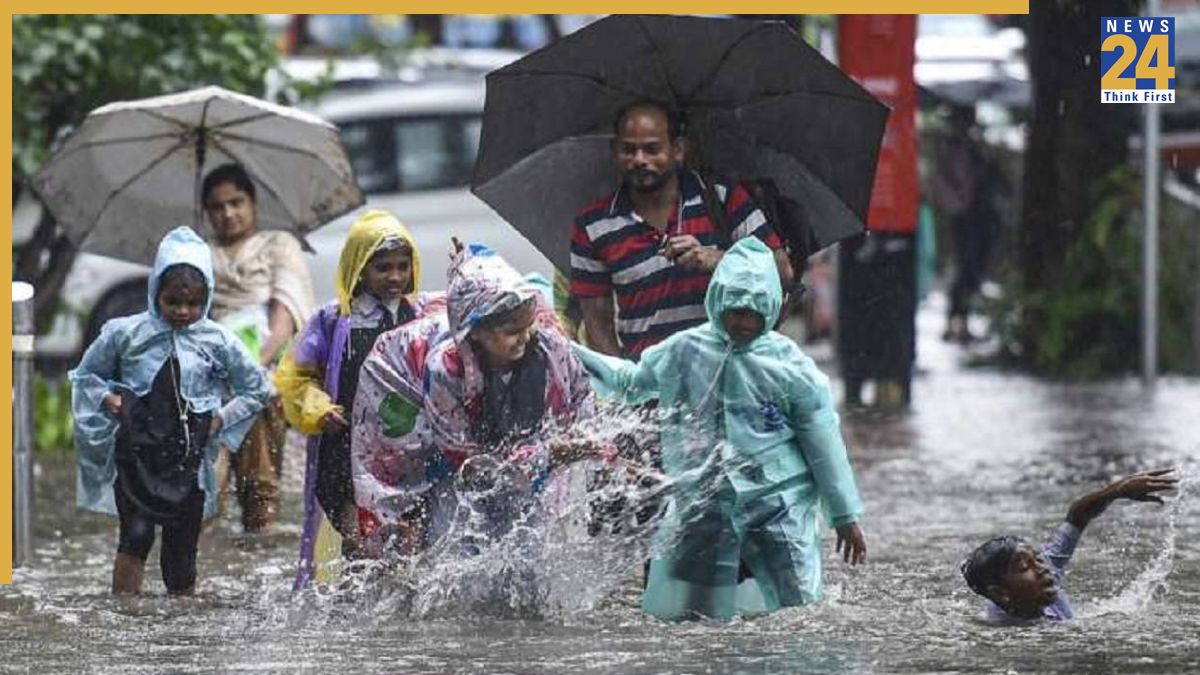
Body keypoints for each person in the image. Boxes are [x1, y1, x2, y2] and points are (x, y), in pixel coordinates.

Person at [571, 237, 866, 622]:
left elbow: (823, 443)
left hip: (776, 506)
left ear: (771, 309)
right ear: (718, 301)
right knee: (688, 618)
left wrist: (844, 515)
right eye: (735, 311)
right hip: (705, 506)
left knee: (799, 614)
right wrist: (568, 350)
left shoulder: (791, 368)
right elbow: (629, 382)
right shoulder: (685, 350)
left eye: (754, 313)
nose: (744, 323)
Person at [70, 226, 269, 595]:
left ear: (206, 298)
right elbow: (85, 376)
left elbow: (256, 388)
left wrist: (221, 419)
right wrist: (109, 399)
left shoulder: (217, 340)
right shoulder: (125, 333)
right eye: (172, 302)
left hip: (187, 459)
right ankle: (124, 612)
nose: (182, 311)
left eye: (193, 304)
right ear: (155, 292)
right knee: (135, 537)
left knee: (181, 555)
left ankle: (181, 621)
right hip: (136, 456)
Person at [275, 210, 445, 586]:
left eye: (402, 267)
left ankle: (398, 608)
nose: (395, 277)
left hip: (408, 452)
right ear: (359, 268)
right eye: (383, 268)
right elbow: (295, 378)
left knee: (410, 547)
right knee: (359, 544)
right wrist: (318, 409)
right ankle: (353, 606)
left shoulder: (421, 316)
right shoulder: (333, 322)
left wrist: (463, 265)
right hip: (346, 450)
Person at [570, 100, 793, 360]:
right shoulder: (592, 226)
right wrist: (624, 379)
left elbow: (781, 272)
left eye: (652, 149)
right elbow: (598, 326)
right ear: (614, 151)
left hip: (730, 374)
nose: (639, 160)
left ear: (678, 150)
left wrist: (718, 261)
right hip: (649, 380)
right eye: (628, 150)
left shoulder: (723, 199)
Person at [423, 243, 596, 540]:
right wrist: (543, 455)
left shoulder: (549, 349)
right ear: (475, 330)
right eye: (512, 332)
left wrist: (581, 446)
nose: (525, 338)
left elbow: (580, 399)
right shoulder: (446, 371)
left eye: (529, 326)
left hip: (535, 472)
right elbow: (466, 462)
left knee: (533, 548)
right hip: (458, 476)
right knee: (460, 549)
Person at [203, 163, 316, 532]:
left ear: (253, 203)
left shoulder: (278, 246)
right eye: (217, 207)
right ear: (207, 212)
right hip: (210, 376)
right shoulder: (199, 255)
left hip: (264, 371)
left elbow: (286, 316)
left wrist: (251, 368)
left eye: (236, 202)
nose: (228, 213)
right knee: (204, 494)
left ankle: (259, 535)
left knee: (259, 491)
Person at [961, 469, 1178, 623]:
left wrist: (1118, 490)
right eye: (1025, 567)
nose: (1043, 568)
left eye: (1038, 559)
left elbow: (1077, 516)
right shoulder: (999, 633)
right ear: (1001, 593)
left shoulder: (1044, 578)